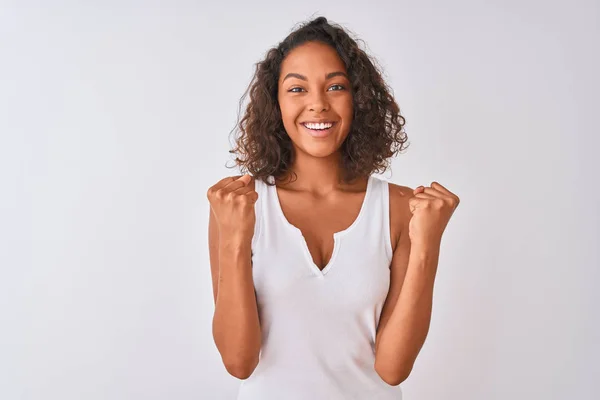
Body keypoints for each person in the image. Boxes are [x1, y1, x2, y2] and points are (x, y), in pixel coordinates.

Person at [207, 16, 460, 399]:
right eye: (297, 89)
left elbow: (392, 370)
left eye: (336, 86)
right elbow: (239, 362)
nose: (318, 105)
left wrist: (427, 244)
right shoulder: (239, 205)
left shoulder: (403, 209)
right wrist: (234, 241)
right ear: (275, 103)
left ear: (357, 97)